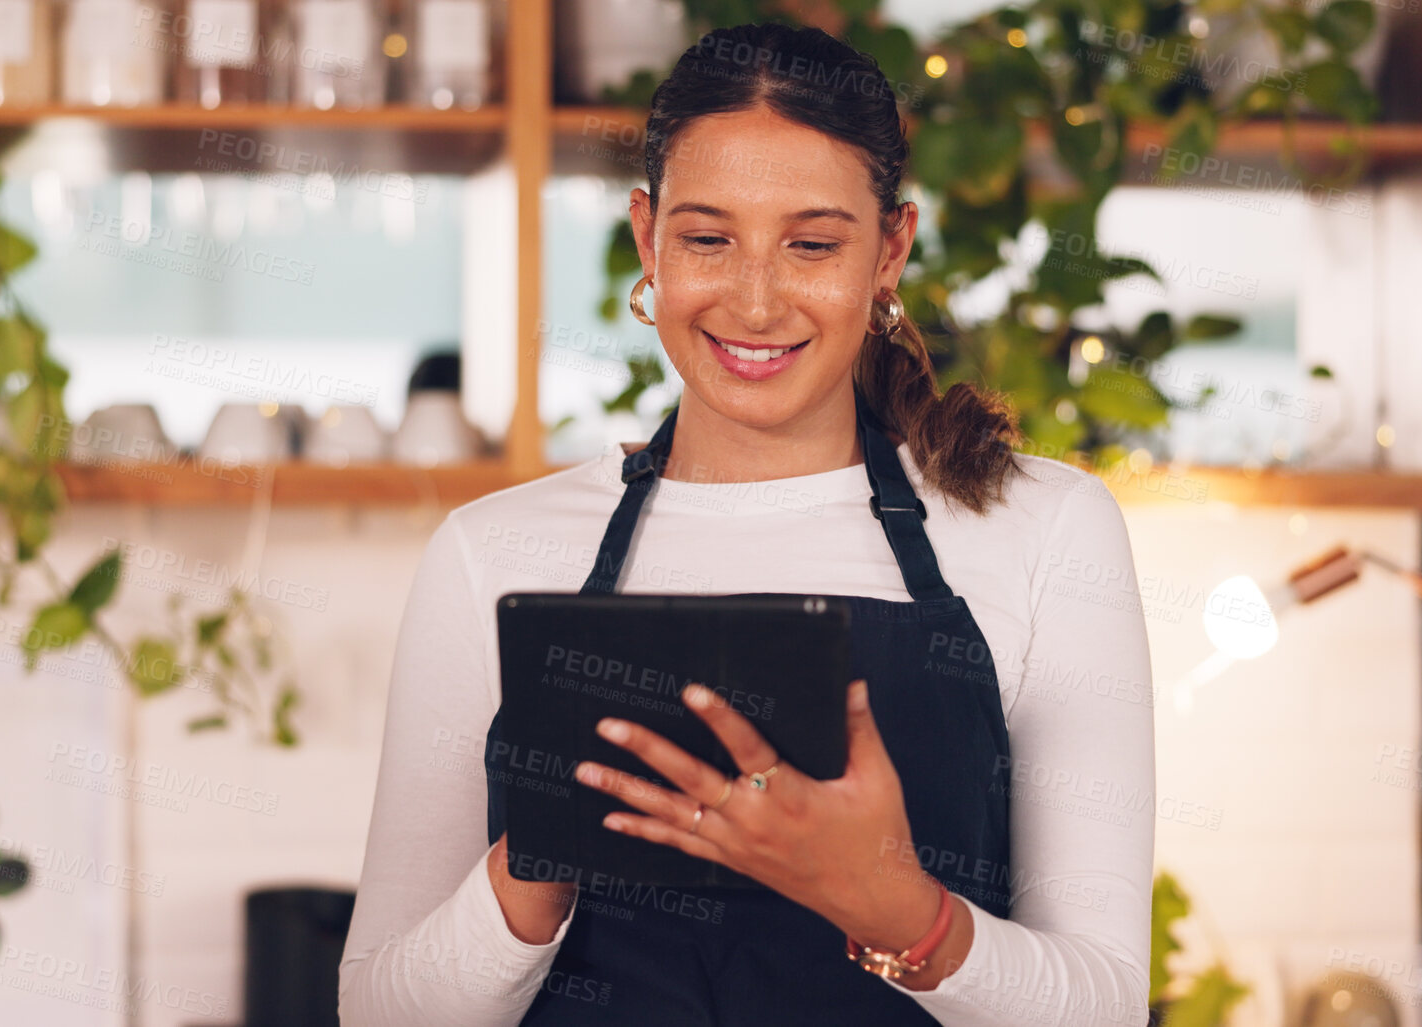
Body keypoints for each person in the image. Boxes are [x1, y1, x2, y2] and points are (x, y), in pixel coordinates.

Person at [340, 22, 1154, 1026]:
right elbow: (380, 1007)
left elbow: (1104, 1006)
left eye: (812, 244)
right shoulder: (491, 551)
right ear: (649, 240)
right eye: (707, 238)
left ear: (890, 248)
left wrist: (896, 904)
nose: (756, 300)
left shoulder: (1045, 531)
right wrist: (535, 872)